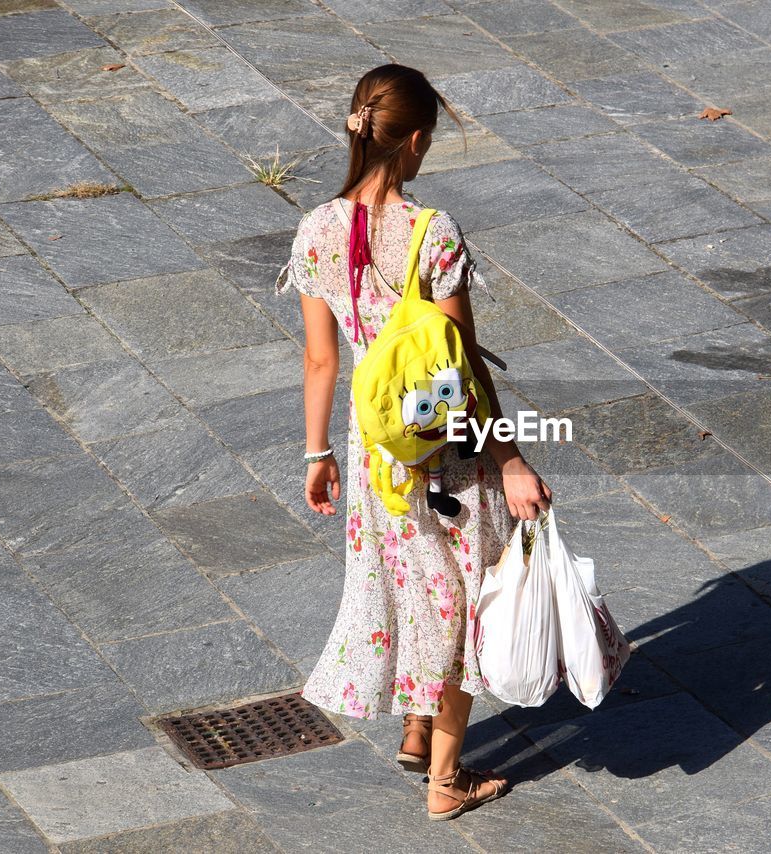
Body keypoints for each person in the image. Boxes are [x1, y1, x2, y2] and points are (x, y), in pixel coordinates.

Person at [275, 63, 552, 821]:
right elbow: (464, 371)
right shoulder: (434, 235)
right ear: (418, 140)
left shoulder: (316, 232)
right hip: (449, 456)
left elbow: (319, 359)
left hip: (376, 457)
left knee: (407, 584)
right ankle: (445, 780)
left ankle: (414, 726)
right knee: (461, 603)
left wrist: (316, 453)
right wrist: (511, 459)